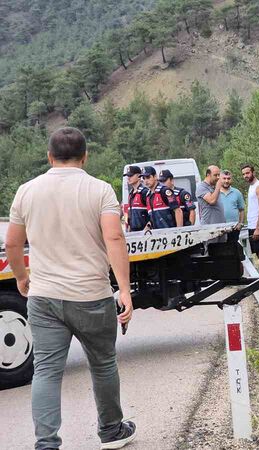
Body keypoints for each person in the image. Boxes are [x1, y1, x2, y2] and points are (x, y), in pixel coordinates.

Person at [4, 127, 136, 450]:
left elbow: (12, 242)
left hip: (44, 296)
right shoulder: (100, 190)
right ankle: (111, 431)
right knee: (103, 363)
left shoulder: (26, 191)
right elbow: (114, 238)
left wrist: (22, 276)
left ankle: (46, 443)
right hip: (91, 295)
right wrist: (124, 290)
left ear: (49, 157)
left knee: (46, 371)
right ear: (85, 156)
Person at [241, 164, 259, 277]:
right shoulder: (251, 186)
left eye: (247, 173)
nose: (245, 176)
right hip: (252, 225)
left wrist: (258, 228)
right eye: (243, 174)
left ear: (253, 172)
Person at [219, 169, 245, 243]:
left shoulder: (237, 192)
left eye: (228, 178)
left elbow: (242, 210)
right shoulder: (215, 193)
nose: (226, 181)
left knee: (233, 250)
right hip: (219, 228)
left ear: (231, 179)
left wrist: (240, 224)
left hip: (234, 228)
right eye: (224, 178)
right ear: (220, 179)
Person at [124, 166, 150, 232]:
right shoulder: (131, 193)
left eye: (131, 175)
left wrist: (146, 229)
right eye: (127, 176)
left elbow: (152, 213)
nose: (128, 178)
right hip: (133, 231)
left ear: (138, 176)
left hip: (144, 232)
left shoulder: (144, 192)